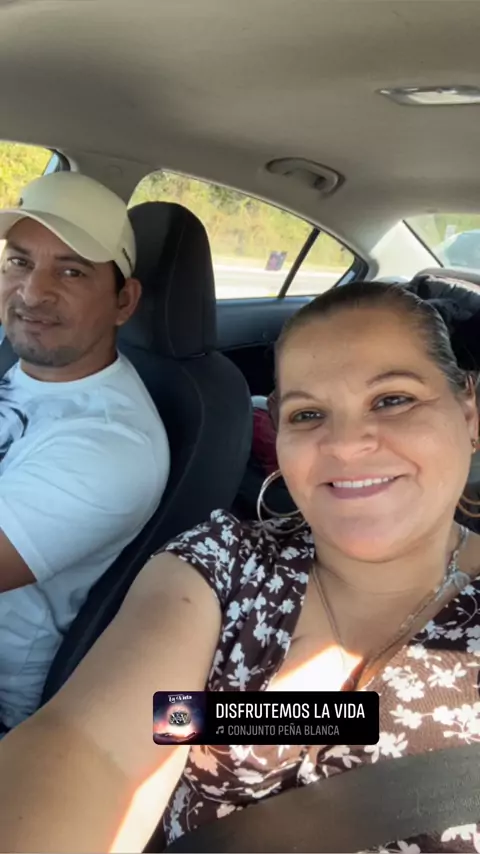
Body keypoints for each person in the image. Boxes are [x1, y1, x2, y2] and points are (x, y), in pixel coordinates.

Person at [0, 280, 479, 854]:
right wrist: (329, 718)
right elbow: (95, 746)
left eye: (393, 399)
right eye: (308, 414)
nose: (346, 444)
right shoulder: (222, 563)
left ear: (469, 412)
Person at [0, 171, 170, 733]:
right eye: (19, 261)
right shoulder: (27, 363)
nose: (32, 293)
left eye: (71, 271)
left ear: (124, 300)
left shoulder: (112, 445)